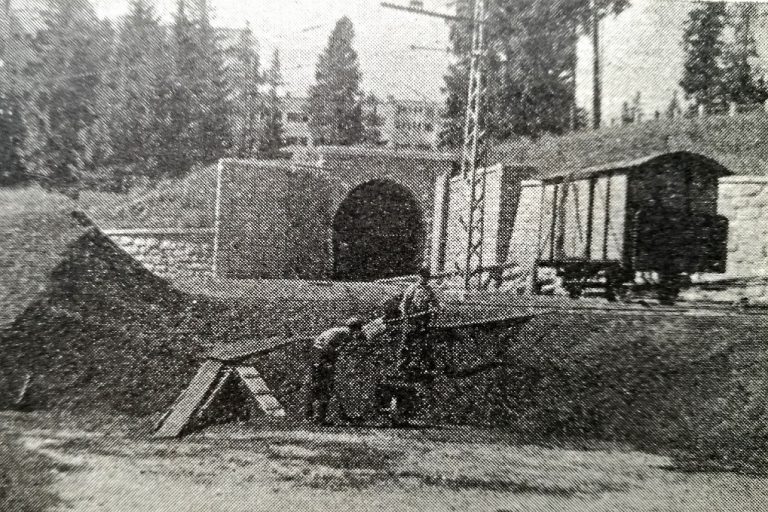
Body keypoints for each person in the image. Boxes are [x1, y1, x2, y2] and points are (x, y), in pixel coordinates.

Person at [303, 316, 366, 426]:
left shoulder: (341, 332)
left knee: (318, 387)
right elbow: (327, 347)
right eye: (358, 329)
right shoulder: (344, 333)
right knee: (322, 387)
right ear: (356, 328)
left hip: (319, 357)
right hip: (320, 358)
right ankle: (317, 417)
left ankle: (313, 416)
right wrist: (326, 362)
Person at [398, 267, 440, 383]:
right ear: (419, 276)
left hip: (424, 319)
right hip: (413, 318)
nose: (424, 278)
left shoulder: (429, 290)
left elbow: (435, 303)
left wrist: (435, 311)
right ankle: (402, 365)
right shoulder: (412, 288)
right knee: (407, 341)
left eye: (426, 276)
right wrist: (405, 314)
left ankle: (425, 365)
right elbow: (404, 303)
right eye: (422, 276)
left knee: (425, 341)